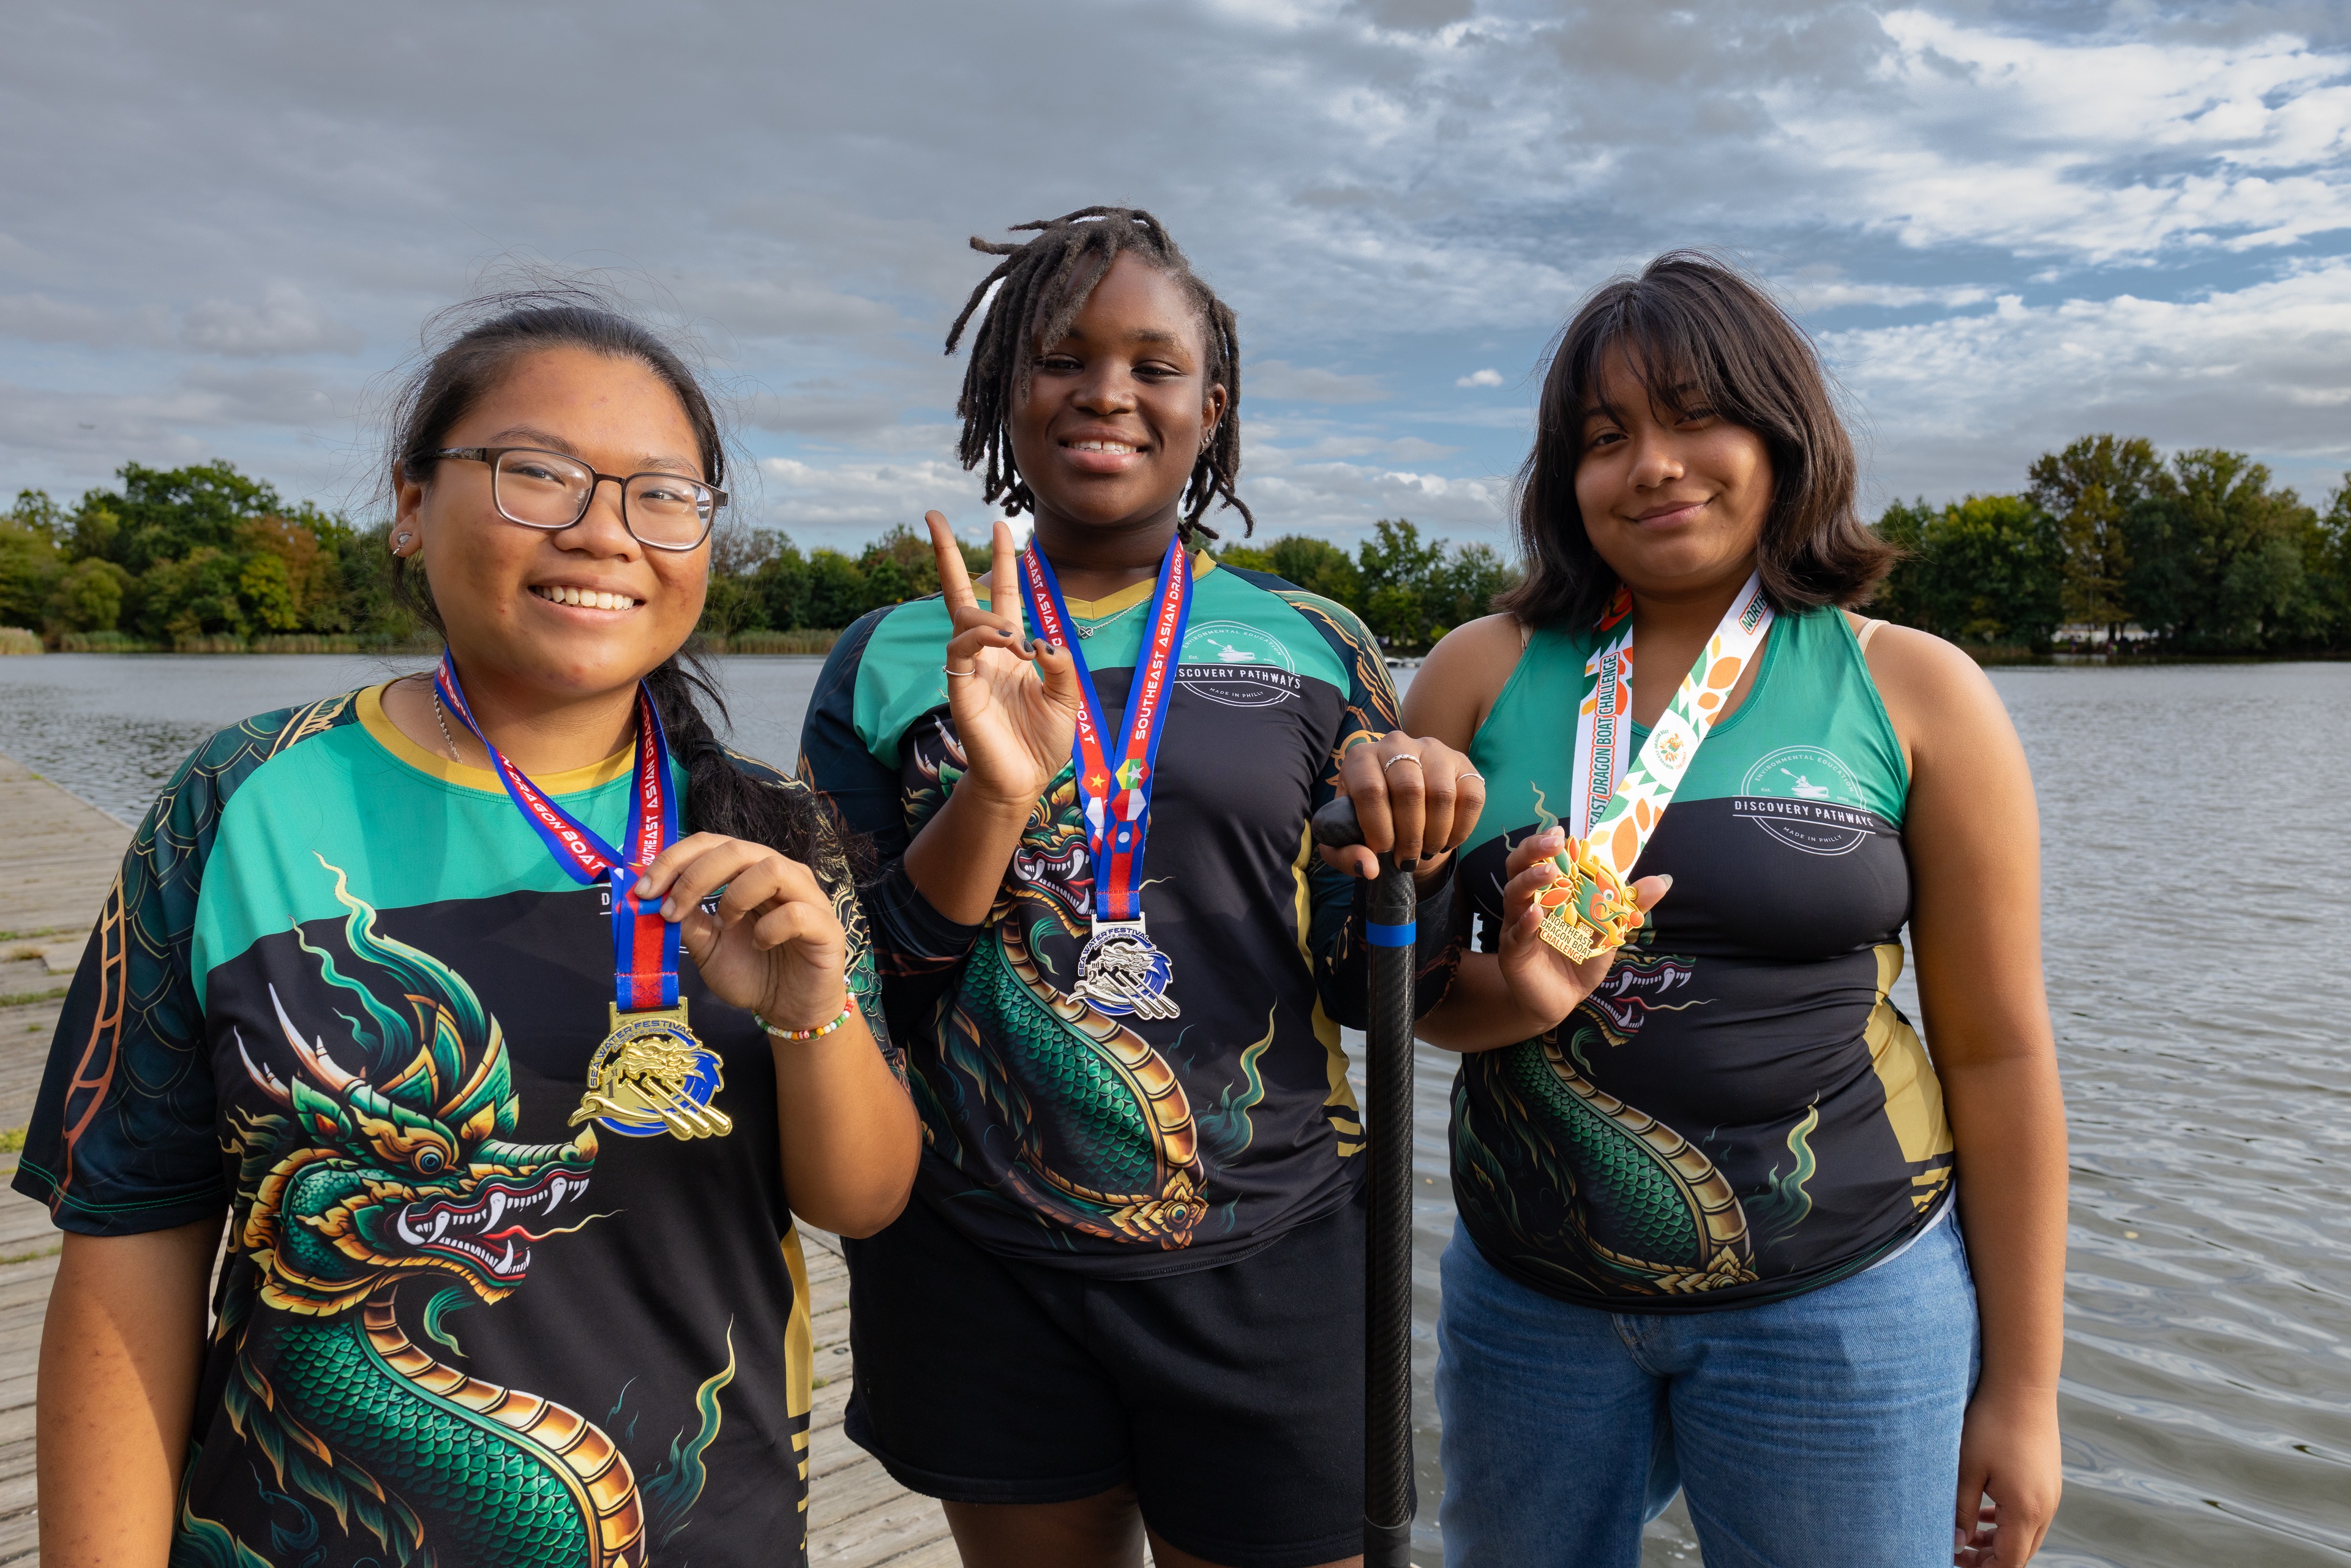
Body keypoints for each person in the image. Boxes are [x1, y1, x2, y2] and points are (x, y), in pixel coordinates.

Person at [20, 294, 920, 1568]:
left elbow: (863, 1199)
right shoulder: (244, 800)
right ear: (410, 503)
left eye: (663, 494)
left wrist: (811, 1010)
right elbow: (129, 1245)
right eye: (538, 473)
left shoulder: (770, 834)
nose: (603, 532)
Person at [798, 208, 1477, 1568]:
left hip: (1272, 1256)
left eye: (1153, 366)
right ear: (1006, 391)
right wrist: (993, 796)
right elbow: (864, 993)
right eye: (1062, 358)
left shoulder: (1316, 641)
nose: (1106, 392)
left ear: (1209, 408)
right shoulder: (889, 654)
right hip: (979, 1262)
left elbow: (1372, 983)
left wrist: (1435, 854)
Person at [1405, 253, 2068, 1568]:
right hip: (1531, 1308)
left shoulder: (1918, 688)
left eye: (1696, 416)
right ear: (1565, 476)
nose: (1652, 465)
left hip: (1843, 1304)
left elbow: (1998, 1052)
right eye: (1606, 437)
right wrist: (1518, 993)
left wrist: (2026, 1391)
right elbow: (1415, 997)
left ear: (1781, 434)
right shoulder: (1475, 674)